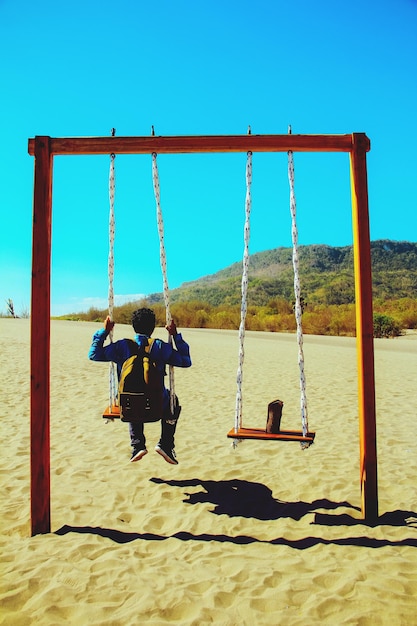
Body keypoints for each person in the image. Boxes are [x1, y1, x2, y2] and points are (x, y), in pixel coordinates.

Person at [88, 307, 191, 464]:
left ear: (133, 326)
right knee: (173, 402)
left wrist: (104, 331)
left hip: (128, 405)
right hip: (156, 403)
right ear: (153, 327)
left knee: (131, 394)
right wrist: (175, 336)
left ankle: (137, 445)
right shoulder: (159, 347)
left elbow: (94, 354)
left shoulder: (121, 347)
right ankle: (166, 444)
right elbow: (185, 361)